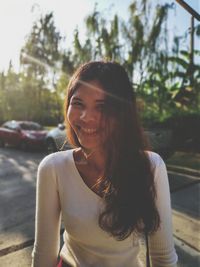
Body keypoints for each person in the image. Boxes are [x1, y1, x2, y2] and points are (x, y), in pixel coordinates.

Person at [32, 61, 178, 267]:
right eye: (78, 103)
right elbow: (43, 256)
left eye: (102, 107)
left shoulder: (151, 166)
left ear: (122, 114)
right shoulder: (53, 168)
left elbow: (163, 258)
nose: (86, 117)